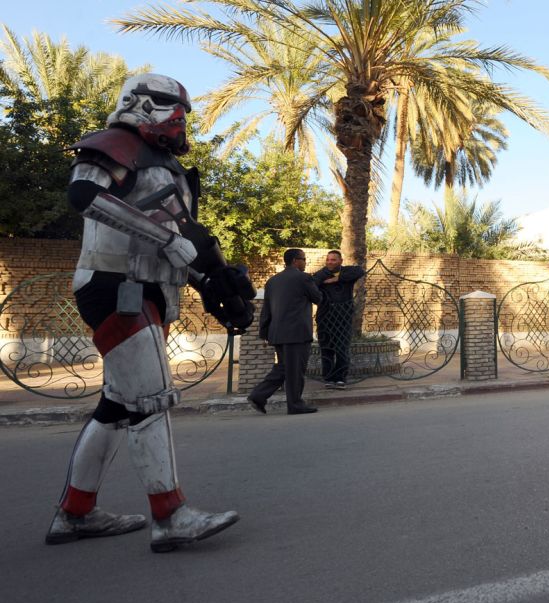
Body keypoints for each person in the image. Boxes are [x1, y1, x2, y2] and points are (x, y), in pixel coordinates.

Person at [47, 73, 254, 552]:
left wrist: (213, 285)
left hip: (145, 291)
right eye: (164, 103)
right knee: (153, 399)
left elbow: (179, 242)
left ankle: (74, 514)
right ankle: (171, 515)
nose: (177, 116)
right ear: (136, 102)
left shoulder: (165, 166)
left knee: (118, 407)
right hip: (116, 287)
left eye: (181, 107)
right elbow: (84, 196)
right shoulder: (114, 144)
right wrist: (168, 241)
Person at [249, 249, 323, 414]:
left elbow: (266, 310)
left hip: (277, 334)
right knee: (295, 370)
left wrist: (264, 333)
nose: (305, 262)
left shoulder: (272, 281)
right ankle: (295, 404)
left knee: (283, 368)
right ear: (296, 260)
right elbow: (318, 298)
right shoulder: (303, 278)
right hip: (296, 333)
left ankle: (258, 396)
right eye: (304, 259)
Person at [312, 250, 366, 388]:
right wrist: (327, 275)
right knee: (327, 349)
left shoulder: (347, 272)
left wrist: (338, 278)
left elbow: (360, 271)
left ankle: (340, 378)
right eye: (328, 259)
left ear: (341, 261)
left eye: (333, 260)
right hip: (325, 318)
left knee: (342, 349)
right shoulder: (321, 274)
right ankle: (329, 378)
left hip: (344, 318)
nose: (330, 262)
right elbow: (313, 284)